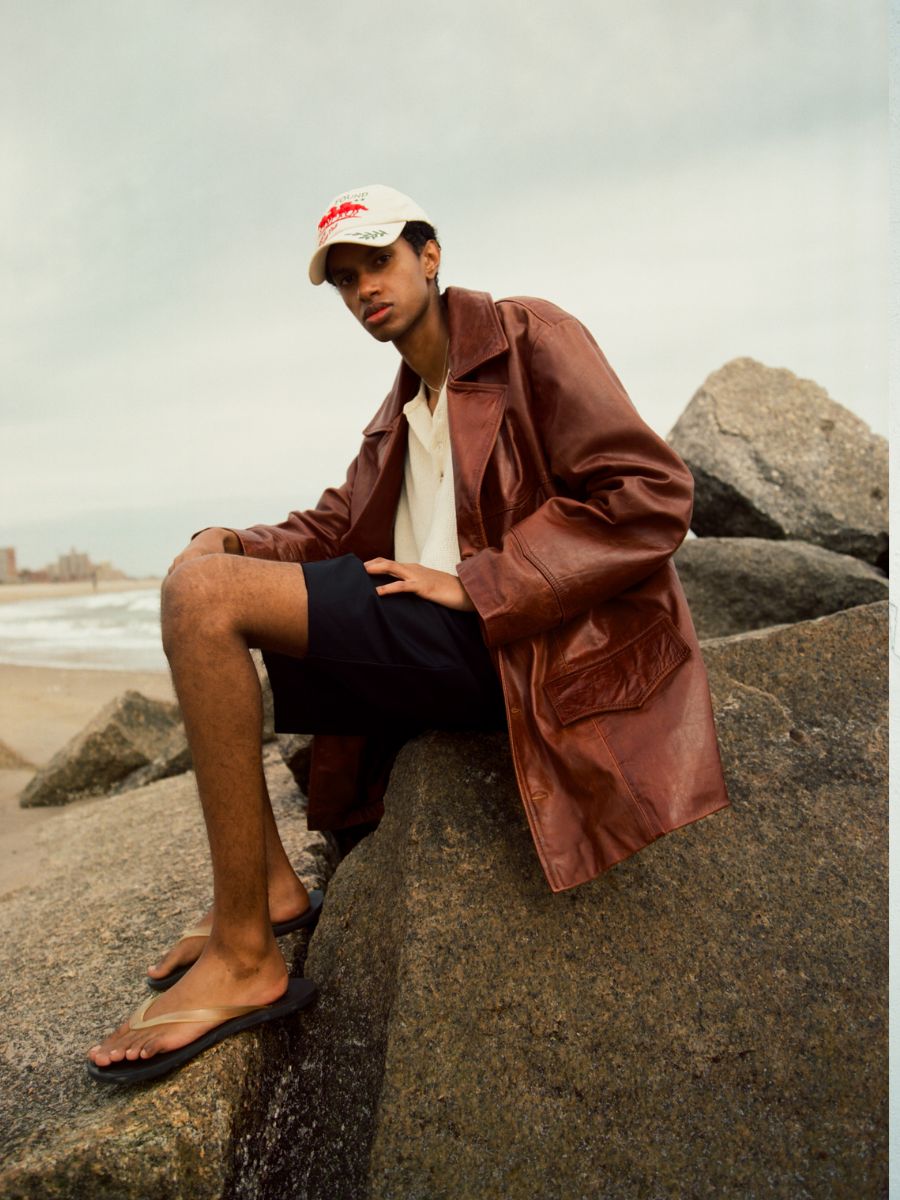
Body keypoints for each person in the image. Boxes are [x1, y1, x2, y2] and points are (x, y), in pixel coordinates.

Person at [87, 185, 728, 1083]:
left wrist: (481, 579)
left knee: (203, 605)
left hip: (521, 647)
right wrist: (230, 542)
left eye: (377, 263)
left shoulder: (528, 335)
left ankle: (246, 956)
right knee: (199, 581)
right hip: (439, 645)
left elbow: (651, 494)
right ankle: (268, 888)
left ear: (430, 254)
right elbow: (334, 524)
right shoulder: (400, 412)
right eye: (345, 281)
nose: (363, 292)